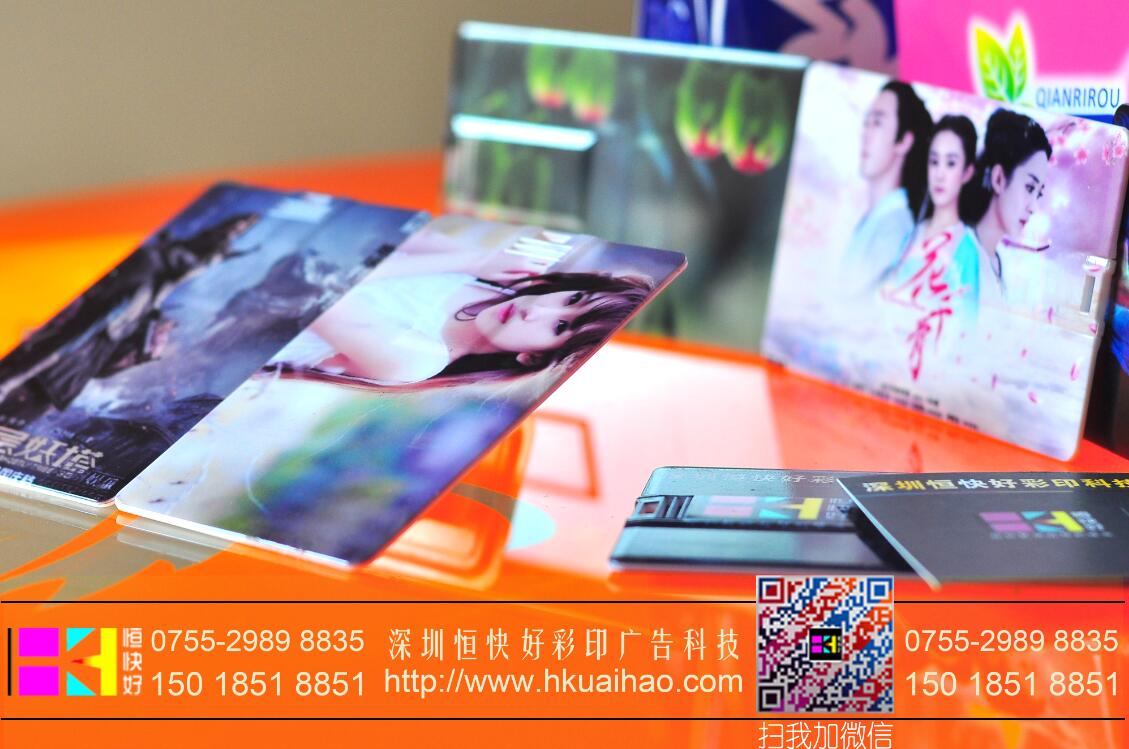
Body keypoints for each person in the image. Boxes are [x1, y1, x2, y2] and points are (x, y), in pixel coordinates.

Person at [268, 227, 653, 387]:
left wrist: (469, 260)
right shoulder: (490, 280)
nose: (536, 311)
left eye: (560, 328)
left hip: (252, 312)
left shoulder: (420, 360)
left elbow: (313, 290)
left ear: (533, 358)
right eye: (574, 299)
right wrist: (473, 260)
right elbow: (394, 229)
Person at [0, 212, 261, 423]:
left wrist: (149, 338)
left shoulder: (164, 286)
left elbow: (107, 360)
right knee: (78, 334)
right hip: (59, 344)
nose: (232, 234)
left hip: (67, 373)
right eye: (234, 228)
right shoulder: (155, 260)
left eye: (239, 232)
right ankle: (12, 380)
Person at [881, 115, 980, 380]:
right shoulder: (910, 235)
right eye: (934, 161)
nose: (939, 174)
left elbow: (963, 335)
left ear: (967, 172)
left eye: (951, 163)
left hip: (928, 378)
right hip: (885, 363)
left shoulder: (966, 251)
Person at [841, 80, 932, 292]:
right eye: (866, 122)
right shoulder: (878, 219)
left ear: (904, 141)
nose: (866, 133)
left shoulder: (894, 228)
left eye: (877, 123)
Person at [957, 108, 1052, 307]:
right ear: (998, 178)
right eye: (1029, 187)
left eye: (1038, 193)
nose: (1033, 207)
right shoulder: (960, 255)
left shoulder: (999, 260)